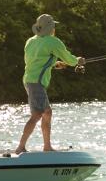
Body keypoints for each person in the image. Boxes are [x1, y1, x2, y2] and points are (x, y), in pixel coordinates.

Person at [12, 13, 83, 154]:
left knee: (46, 113)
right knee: (38, 114)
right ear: (51, 28)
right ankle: (21, 147)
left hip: (28, 79)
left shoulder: (31, 41)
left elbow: (34, 61)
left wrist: (54, 64)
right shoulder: (53, 42)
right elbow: (69, 59)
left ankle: (47, 146)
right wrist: (78, 60)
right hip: (37, 82)